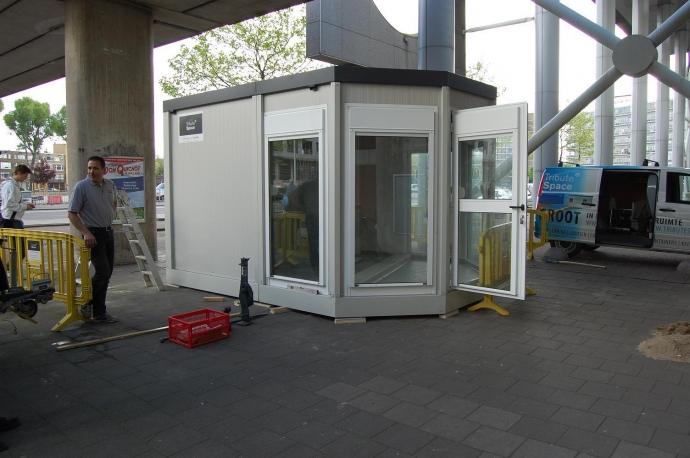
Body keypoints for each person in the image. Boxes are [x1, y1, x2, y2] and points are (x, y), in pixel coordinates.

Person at [67, 155, 118, 324]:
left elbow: (114, 203)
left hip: (108, 232)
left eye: (95, 168)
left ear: (104, 170)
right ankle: (98, 311)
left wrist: (111, 215)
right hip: (93, 235)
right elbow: (72, 214)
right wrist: (86, 233)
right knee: (102, 272)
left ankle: (89, 301)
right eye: (89, 168)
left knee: (108, 272)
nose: (91, 171)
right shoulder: (81, 187)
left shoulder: (110, 185)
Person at [1, 164, 35, 229]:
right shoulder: (9, 185)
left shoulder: (15, 185)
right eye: (25, 175)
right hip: (9, 220)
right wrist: (25, 206)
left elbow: (15, 201)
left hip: (13, 219)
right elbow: (9, 204)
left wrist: (26, 204)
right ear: (19, 173)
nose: (26, 178)